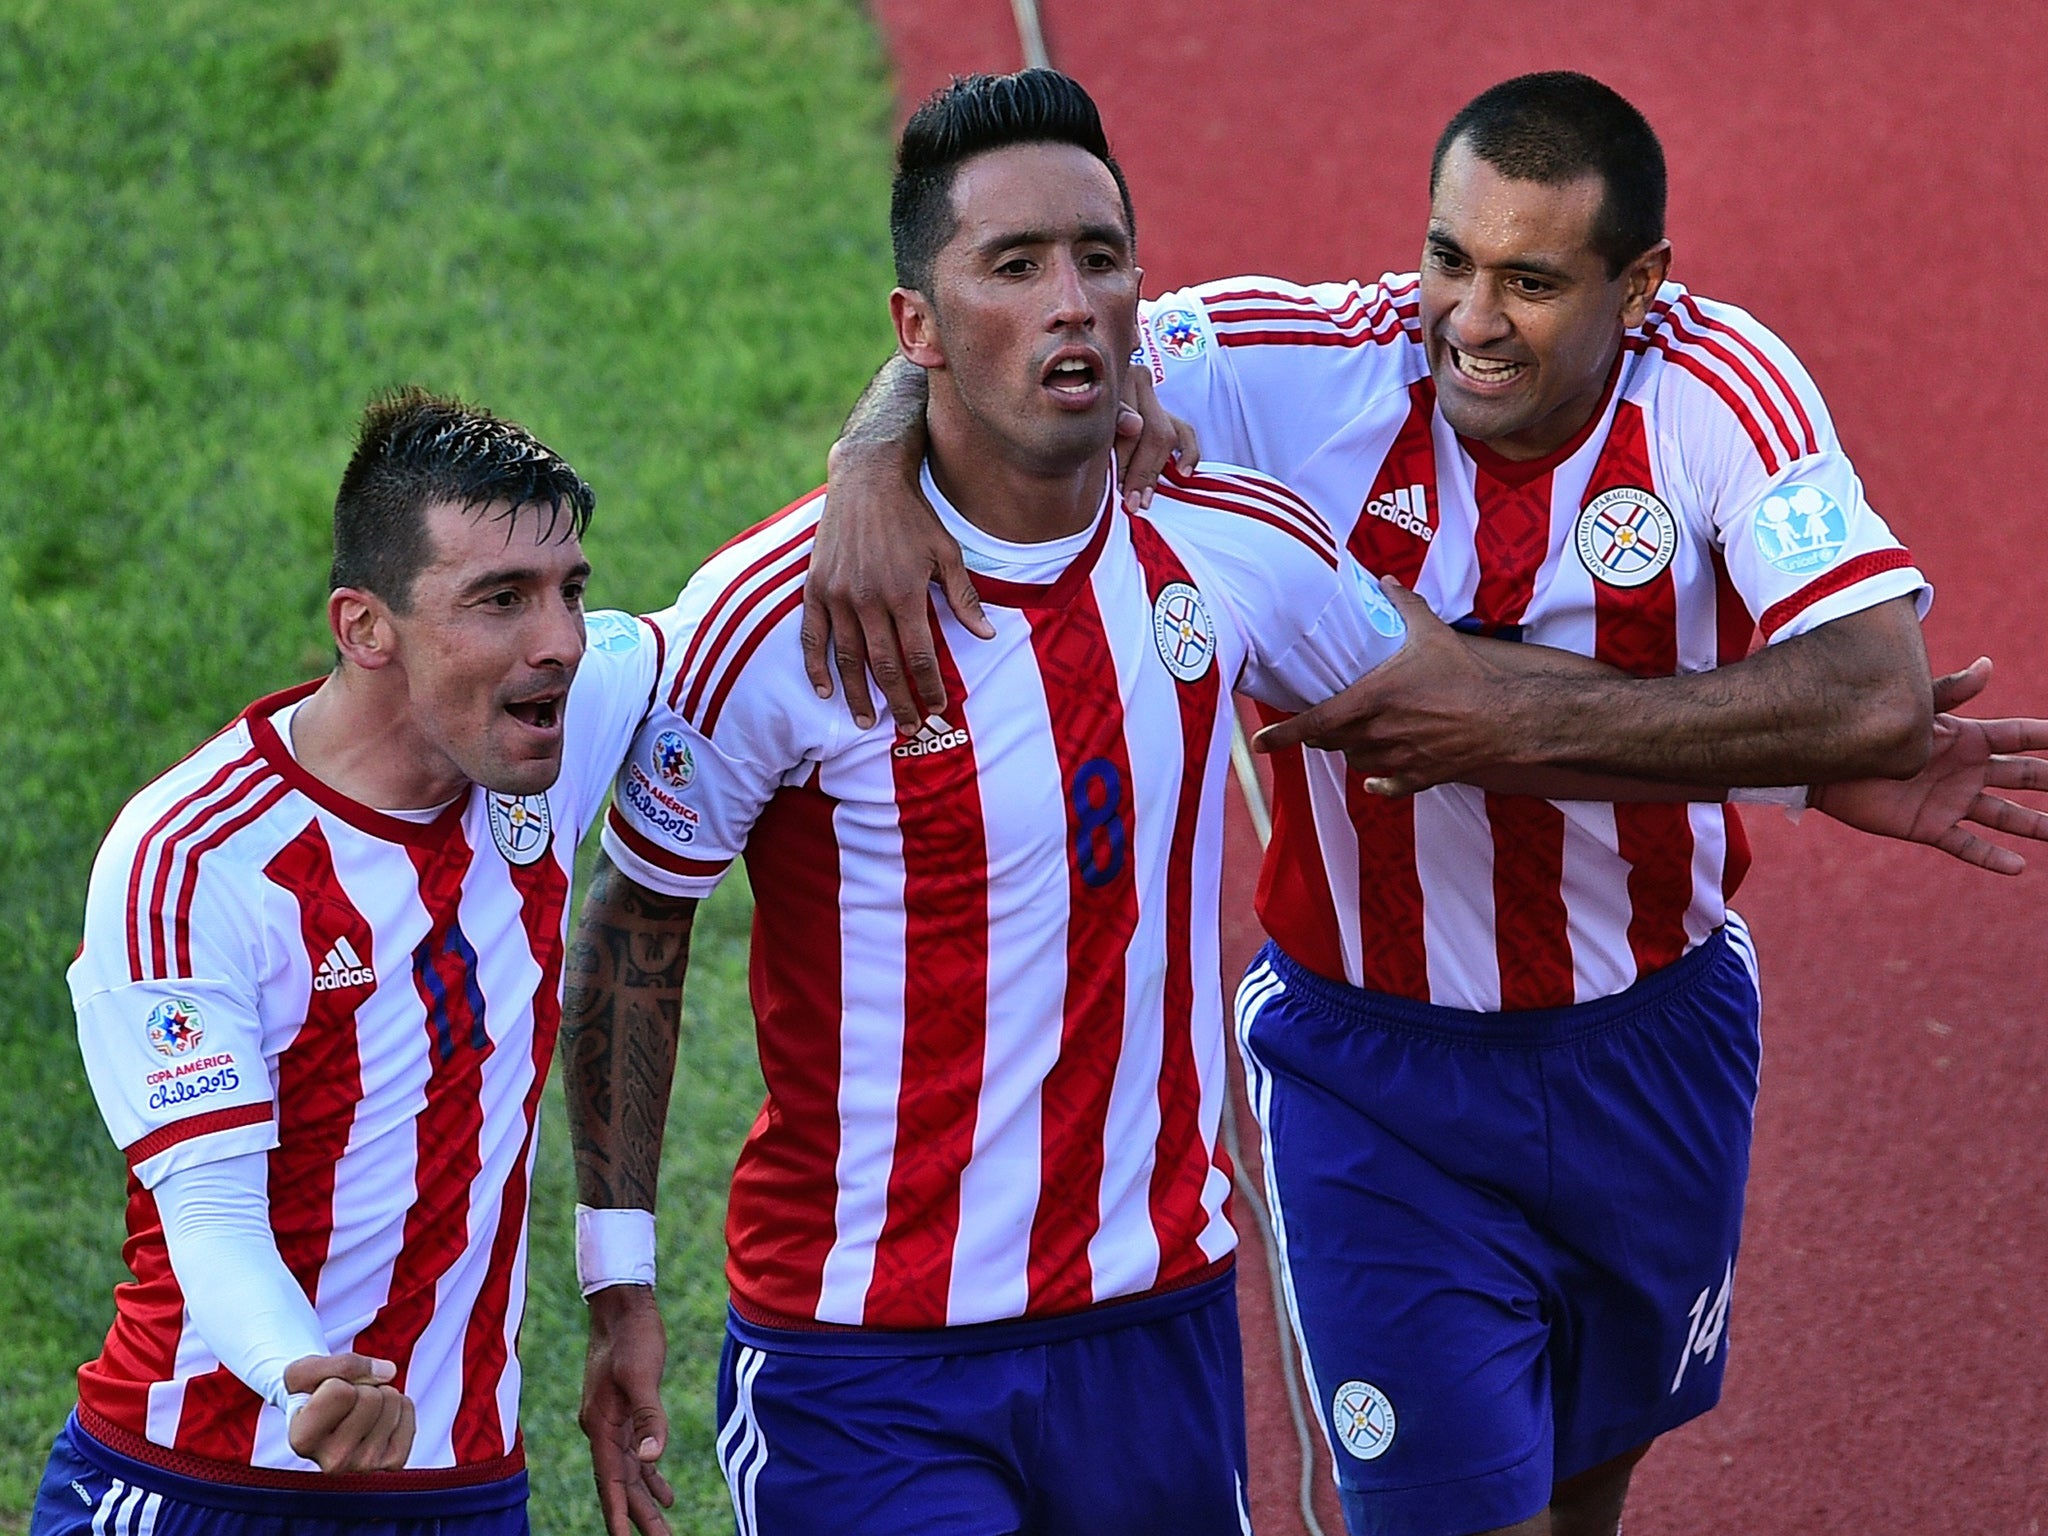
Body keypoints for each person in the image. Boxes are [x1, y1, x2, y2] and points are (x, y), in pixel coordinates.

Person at [801, 71, 2048, 1536]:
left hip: (1652, 1047)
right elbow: (1022, 329)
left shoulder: (1720, 388)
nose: (1469, 318)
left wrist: (1493, 710)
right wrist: (868, 454)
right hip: (1369, 1072)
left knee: (1581, 1496)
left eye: (1532, 281)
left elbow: (1876, 694)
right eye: (1448, 258)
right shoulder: (1294, 360)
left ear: (1639, 285)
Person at [558, 69, 1428, 1536]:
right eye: (1012, 266)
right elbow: (636, 921)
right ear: (916, 329)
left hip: (1153, 1326)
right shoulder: (778, 618)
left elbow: (1460, 704)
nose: (1070, 301)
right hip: (865, 1361)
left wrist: (1780, 732)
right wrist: (617, 1279)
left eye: (1099, 257)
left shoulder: (1228, 545)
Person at [31, 389, 669, 1535]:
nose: (561, 642)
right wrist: (299, 1374)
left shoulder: (549, 731)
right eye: (500, 599)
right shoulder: (196, 863)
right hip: (203, 1484)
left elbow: (732, 602)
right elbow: (211, 1213)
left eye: (570, 589)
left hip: (463, 1488)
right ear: (364, 627)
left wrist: (877, 455)